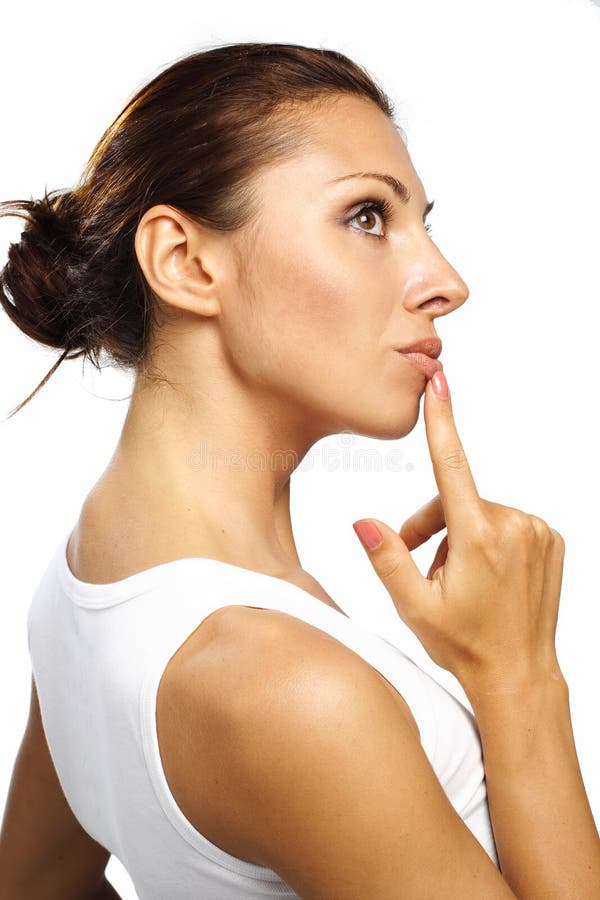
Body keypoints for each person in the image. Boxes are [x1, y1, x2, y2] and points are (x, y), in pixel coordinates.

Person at [0, 40, 598, 900]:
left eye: (424, 223)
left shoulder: (80, 588)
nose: (446, 282)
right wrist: (520, 675)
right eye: (367, 217)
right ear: (184, 262)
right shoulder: (285, 689)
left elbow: (32, 883)